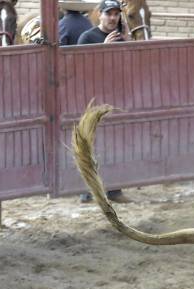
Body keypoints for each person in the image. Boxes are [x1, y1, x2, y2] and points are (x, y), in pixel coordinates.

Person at [76, 0, 130, 203]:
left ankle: (114, 190)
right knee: (91, 144)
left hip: (115, 97)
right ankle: (88, 191)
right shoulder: (87, 37)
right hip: (92, 99)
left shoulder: (121, 38)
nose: (113, 18)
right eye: (109, 14)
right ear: (99, 15)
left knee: (116, 143)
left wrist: (128, 42)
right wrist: (103, 48)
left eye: (116, 14)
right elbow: (81, 68)